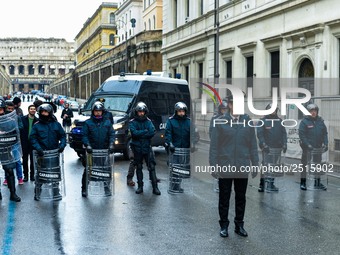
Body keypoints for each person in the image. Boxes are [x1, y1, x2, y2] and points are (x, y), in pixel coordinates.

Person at [209, 95, 259, 238]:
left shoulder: (247, 121)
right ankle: (224, 225)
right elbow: (214, 146)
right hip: (225, 165)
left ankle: (239, 225)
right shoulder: (220, 121)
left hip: (242, 165)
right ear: (230, 105)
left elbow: (253, 145)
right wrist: (213, 165)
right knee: (224, 197)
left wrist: (255, 164)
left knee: (241, 197)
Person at [30, 104, 66, 201]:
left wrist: (62, 146)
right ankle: (38, 191)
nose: (44, 114)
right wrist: (38, 149)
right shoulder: (37, 125)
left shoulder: (56, 125)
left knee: (55, 172)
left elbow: (63, 136)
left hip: (54, 153)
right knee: (40, 173)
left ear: (50, 113)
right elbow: (33, 138)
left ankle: (55, 191)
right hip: (42, 154)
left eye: (46, 112)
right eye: (42, 112)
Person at [81, 101, 115, 197]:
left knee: (105, 169)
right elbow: (84, 135)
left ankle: (106, 188)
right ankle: (84, 188)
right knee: (88, 170)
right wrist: (87, 145)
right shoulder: (88, 123)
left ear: (102, 112)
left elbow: (112, 134)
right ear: (93, 112)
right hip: (91, 151)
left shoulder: (107, 122)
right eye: (96, 111)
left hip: (104, 151)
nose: (98, 113)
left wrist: (111, 144)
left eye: (99, 111)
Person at [129, 102, 161, 195]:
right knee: (139, 167)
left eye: (143, 112)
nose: (141, 113)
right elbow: (134, 133)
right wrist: (144, 132)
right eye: (140, 112)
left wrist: (140, 133)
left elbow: (152, 132)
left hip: (147, 147)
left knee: (151, 167)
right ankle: (140, 187)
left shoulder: (148, 121)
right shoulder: (133, 122)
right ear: (137, 112)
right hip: (137, 147)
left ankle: (155, 188)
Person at [256, 103, 287, 192]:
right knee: (265, 165)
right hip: (267, 148)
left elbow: (283, 133)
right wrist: (263, 144)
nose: (273, 111)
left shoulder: (280, 121)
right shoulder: (263, 120)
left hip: (277, 148)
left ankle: (271, 183)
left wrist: (285, 144)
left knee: (274, 165)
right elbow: (260, 134)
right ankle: (262, 184)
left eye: (274, 110)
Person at [298, 103, 328, 190]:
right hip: (307, 148)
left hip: (318, 148)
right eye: (311, 111)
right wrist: (307, 144)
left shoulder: (320, 121)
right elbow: (302, 135)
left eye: (315, 111)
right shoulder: (304, 122)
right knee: (304, 165)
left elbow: (324, 133)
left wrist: (326, 143)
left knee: (317, 165)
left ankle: (317, 183)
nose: (313, 112)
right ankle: (303, 182)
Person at [165, 102, 191, 193]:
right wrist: (170, 143)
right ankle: (173, 186)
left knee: (182, 168)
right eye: (179, 111)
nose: (181, 113)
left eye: (183, 111)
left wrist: (193, 143)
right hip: (175, 149)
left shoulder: (189, 122)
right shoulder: (171, 121)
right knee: (174, 168)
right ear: (176, 111)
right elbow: (168, 133)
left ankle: (178, 185)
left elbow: (194, 134)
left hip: (185, 149)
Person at [0, 99, 21, 202]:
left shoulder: (9, 119)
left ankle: (13, 193)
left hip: (6, 148)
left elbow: (16, 132)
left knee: (9, 170)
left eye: (1, 109)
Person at [3, 101, 24, 185]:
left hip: (14, 141)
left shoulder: (17, 117)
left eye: (12, 109)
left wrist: (13, 126)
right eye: (9, 109)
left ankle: (20, 178)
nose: (10, 110)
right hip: (5, 142)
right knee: (6, 161)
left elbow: (21, 127)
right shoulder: (3, 117)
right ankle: (6, 178)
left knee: (17, 160)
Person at [20, 104, 39, 182]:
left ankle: (32, 175)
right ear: (28, 110)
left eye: (34, 109)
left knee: (32, 160)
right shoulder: (22, 119)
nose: (33, 110)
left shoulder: (37, 121)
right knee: (24, 160)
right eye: (31, 109)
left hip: (33, 143)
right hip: (24, 142)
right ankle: (25, 176)